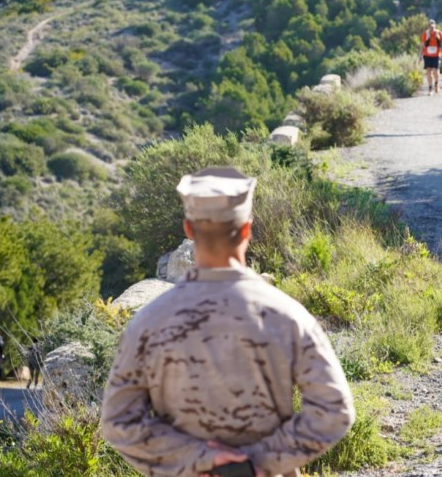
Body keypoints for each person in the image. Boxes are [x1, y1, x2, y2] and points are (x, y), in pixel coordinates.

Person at [101, 167, 355, 477]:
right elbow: (334, 411)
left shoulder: (149, 322)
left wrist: (199, 458)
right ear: (247, 228)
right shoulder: (287, 316)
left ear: (189, 230)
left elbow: (118, 422)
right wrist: (260, 462)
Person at [420, 19, 442, 95]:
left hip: (436, 54)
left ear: (435, 26)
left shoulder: (439, 33)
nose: (432, 28)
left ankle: (436, 84)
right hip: (427, 54)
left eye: (433, 26)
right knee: (428, 71)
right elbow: (422, 45)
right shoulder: (425, 34)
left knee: (435, 71)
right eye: (430, 26)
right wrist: (420, 56)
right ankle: (430, 88)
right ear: (428, 26)